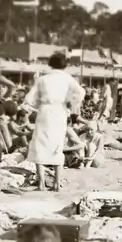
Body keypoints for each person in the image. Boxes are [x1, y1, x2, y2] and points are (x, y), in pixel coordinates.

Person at [22, 52, 86, 191]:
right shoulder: (68, 78)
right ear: (65, 64)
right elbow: (80, 93)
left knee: (40, 144)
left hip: (45, 111)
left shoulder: (42, 79)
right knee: (57, 145)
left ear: (50, 63)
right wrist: (69, 101)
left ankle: (41, 184)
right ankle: (57, 184)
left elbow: (29, 99)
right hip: (59, 112)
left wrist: (33, 105)